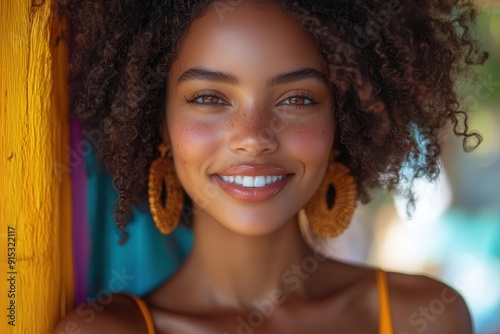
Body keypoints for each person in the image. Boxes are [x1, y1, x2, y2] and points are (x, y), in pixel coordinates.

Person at [54, 0, 487, 333]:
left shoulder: (427, 318)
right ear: (159, 123)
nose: (253, 137)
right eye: (209, 98)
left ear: (341, 120)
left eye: (297, 99)